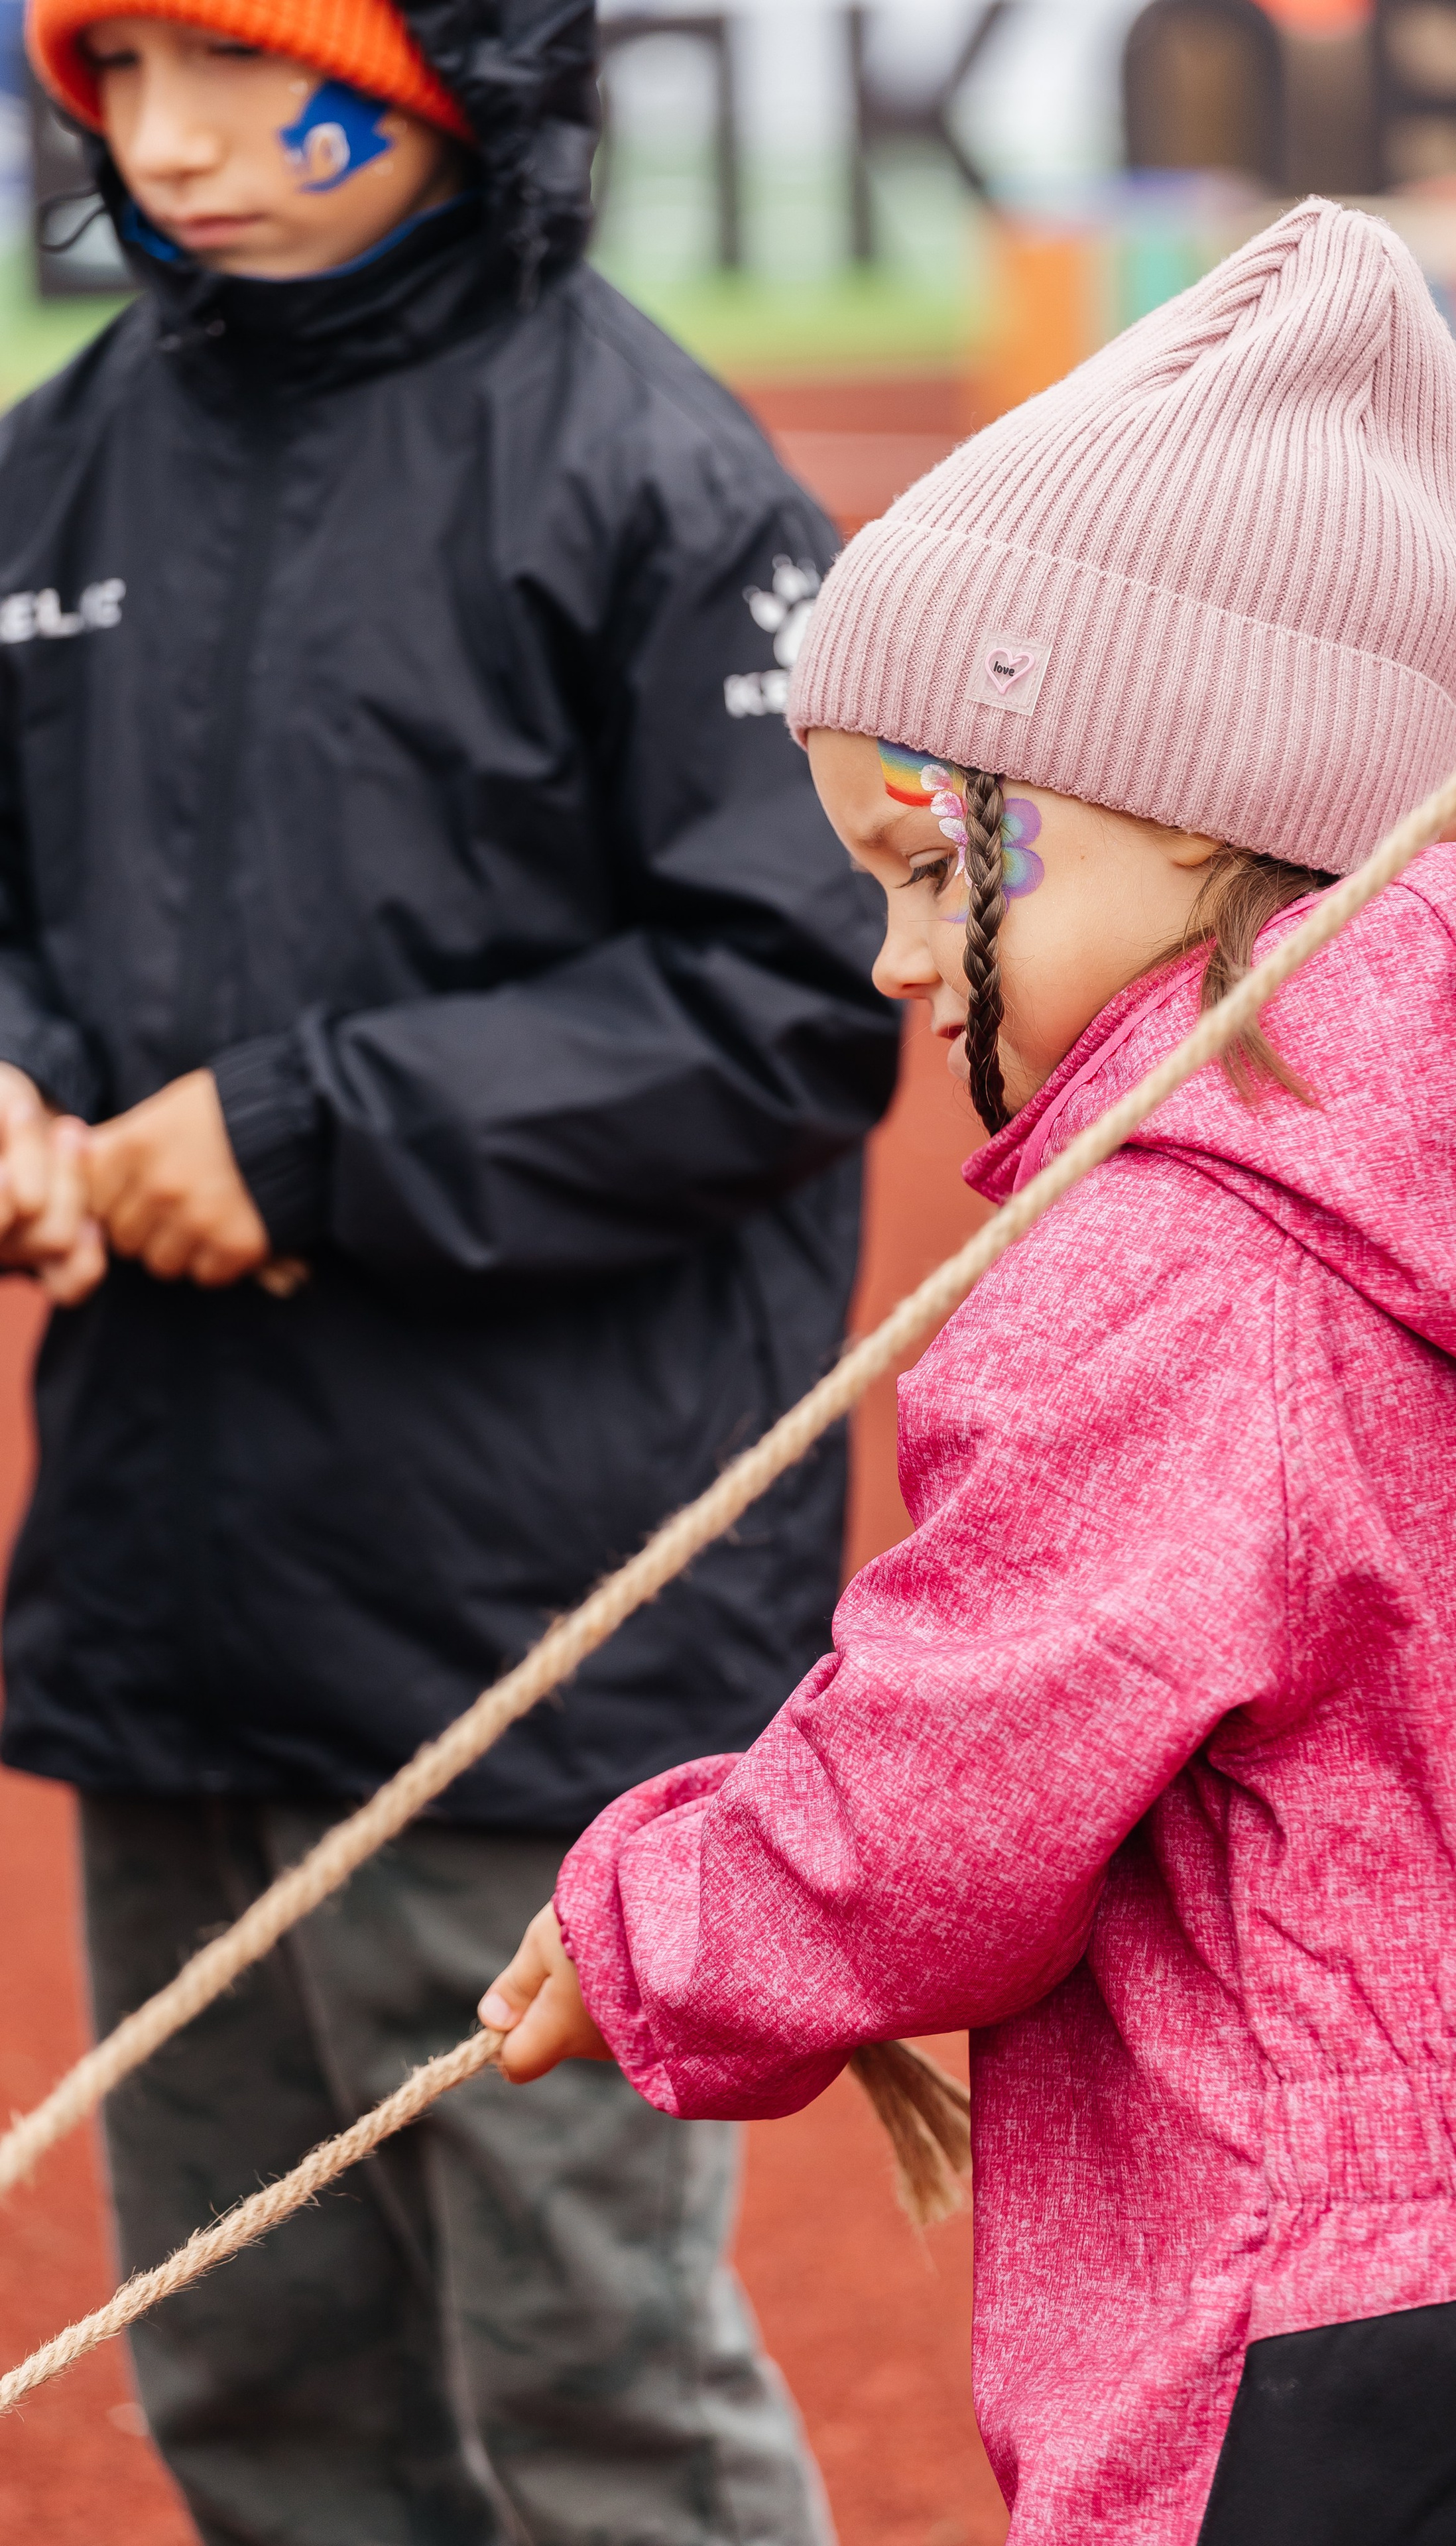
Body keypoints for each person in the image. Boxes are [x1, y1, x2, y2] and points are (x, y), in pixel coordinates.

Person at [481, 198, 1456, 2544]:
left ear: (1180, 798)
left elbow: (950, 1804)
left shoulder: (1168, 1262)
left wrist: (658, 1926)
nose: (893, 957)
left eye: (936, 872)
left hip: (1315, 2320)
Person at [1, 3, 899, 2539]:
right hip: (178, 1607)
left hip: (531, 1634)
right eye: (114, 68)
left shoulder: (653, 470)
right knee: (253, 2370)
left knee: (592, 2383)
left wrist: (308, 1140)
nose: (167, 138)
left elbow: (795, 992)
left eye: (232, 57)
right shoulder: (56, 463)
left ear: (446, 66)